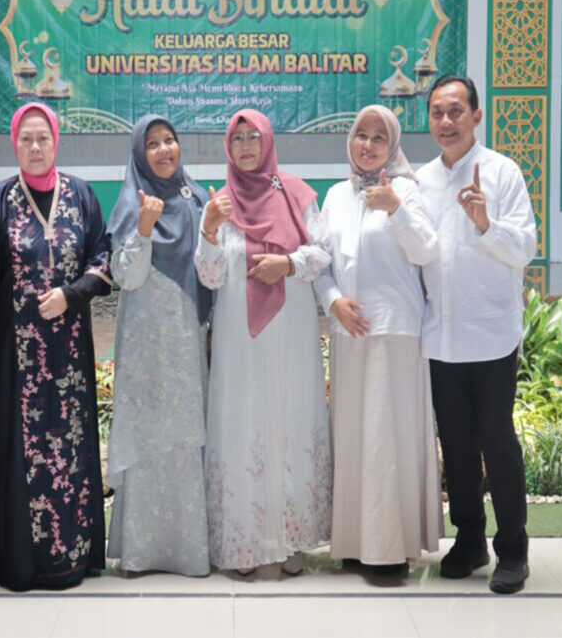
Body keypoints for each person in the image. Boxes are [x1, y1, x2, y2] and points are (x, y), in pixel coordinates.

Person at [0, 102, 111, 591]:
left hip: (69, 352)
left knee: (70, 446)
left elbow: (102, 258)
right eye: (25, 139)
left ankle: (73, 557)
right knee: (21, 449)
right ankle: (24, 563)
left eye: (42, 138)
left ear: (56, 142)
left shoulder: (82, 195)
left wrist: (72, 295)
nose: (34, 147)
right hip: (19, 353)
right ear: (14, 144)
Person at [195, 109, 332, 576]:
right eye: (237, 139)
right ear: (227, 148)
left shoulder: (296, 194)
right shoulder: (219, 204)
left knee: (290, 419)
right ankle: (244, 542)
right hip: (239, 340)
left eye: (254, 136)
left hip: (291, 334)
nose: (247, 146)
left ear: (269, 141)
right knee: (243, 424)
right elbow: (210, 276)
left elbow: (322, 253)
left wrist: (288, 264)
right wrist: (209, 229)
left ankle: (291, 538)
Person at [417, 75, 536, 595]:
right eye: (437, 112)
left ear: (476, 116)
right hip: (440, 336)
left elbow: (525, 249)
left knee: (496, 440)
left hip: (490, 334)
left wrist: (486, 223)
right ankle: (469, 540)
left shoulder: (503, 172)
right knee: (456, 443)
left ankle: (513, 549)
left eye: (456, 111)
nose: (446, 121)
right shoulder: (421, 180)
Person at [314, 105, 442, 576]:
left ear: (392, 146)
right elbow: (321, 262)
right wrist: (333, 302)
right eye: (360, 135)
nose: (367, 145)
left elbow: (428, 250)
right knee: (353, 438)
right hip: (349, 333)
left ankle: (389, 551)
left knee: (387, 440)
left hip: (395, 331)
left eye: (378, 138)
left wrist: (397, 209)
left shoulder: (406, 189)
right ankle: (353, 542)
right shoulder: (335, 196)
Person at [105, 114, 211, 577]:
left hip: (187, 338)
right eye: (152, 143)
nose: (164, 150)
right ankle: (141, 552)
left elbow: (212, 271)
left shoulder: (197, 199)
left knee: (185, 434)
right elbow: (125, 277)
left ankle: (189, 551)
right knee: (146, 435)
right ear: (139, 154)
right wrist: (144, 228)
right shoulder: (132, 202)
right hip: (144, 341)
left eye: (170, 140)